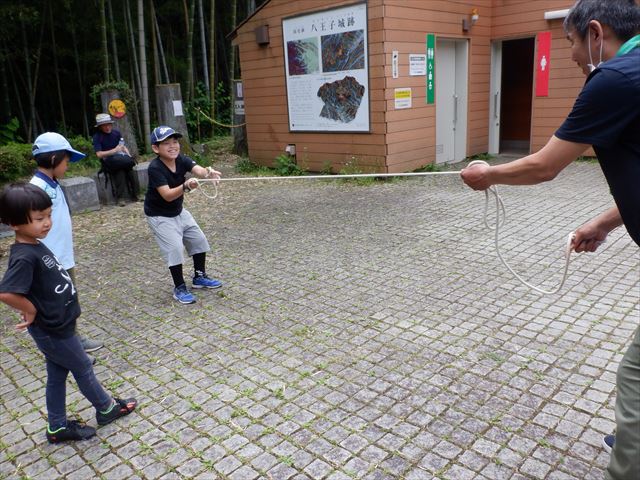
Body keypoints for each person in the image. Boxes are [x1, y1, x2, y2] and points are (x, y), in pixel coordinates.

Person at [461, 1, 639, 479]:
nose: (574, 58)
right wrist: (605, 222)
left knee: (635, 379)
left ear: (596, 33)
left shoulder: (615, 79)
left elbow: (545, 165)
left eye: (573, 45)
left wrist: (487, 174)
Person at [0, 183, 137, 443]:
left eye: (49, 215)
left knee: (57, 374)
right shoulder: (24, 256)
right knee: (83, 366)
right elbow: (6, 292)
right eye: (39, 218)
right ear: (14, 223)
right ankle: (107, 408)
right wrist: (29, 309)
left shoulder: (35, 244)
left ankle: (57, 427)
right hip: (53, 330)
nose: (47, 223)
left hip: (59, 325)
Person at [29, 132, 103, 353]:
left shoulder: (52, 182)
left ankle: (74, 340)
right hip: (49, 259)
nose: (68, 165)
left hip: (62, 256)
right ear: (53, 159)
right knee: (58, 305)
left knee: (69, 300)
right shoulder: (36, 189)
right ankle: (68, 349)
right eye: (66, 160)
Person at [144, 126, 223, 304]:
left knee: (198, 240)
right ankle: (179, 287)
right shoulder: (155, 168)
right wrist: (186, 186)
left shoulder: (181, 159)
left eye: (175, 142)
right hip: (159, 215)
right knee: (174, 249)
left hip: (178, 211)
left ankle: (199, 277)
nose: (173, 146)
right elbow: (167, 195)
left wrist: (208, 173)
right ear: (156, 148)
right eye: (166, 143)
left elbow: (199, 170)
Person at [92, 113, 138, 206]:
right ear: (100, 127)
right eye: (104, 125)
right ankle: (120, 198)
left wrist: (128, 156)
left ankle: (134, 194)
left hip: (120, 158)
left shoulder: (116, 133)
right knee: (119, 170)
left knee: (129, 168)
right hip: (108, 161)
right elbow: (99, 154)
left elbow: (123, 146)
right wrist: (113, 151)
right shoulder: (97, 137)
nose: (107, 127)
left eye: (108, 124)